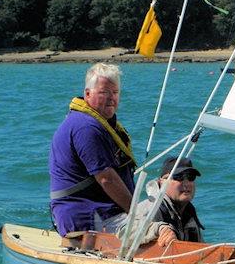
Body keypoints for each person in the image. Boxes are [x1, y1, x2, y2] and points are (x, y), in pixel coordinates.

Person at [49, 63, 136, 236]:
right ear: (87, 94)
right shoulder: (86, 128)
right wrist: (136, 215)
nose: (111, 98)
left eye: (115, 92)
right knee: (154, 229)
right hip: (88, 216)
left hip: (104, 210)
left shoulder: (97, 123)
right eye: (104, 92)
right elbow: (106, 179)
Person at [119, 157, 204, 247]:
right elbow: (124, 231)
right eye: (179, 177)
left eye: (190, 177)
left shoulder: (189, 214)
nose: (186, 183)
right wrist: (159, 229)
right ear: (162, 182)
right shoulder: (151, 206)